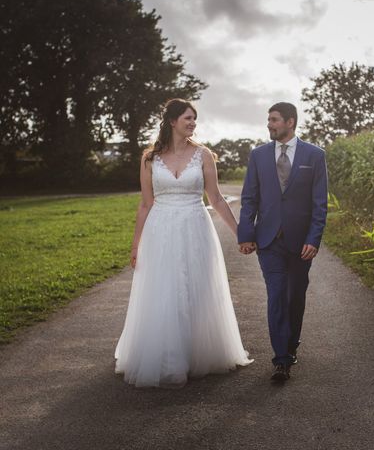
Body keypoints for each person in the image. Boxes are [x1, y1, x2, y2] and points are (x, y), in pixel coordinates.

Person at [115, 98, 253, 387]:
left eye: (195, 119)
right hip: (159, 230)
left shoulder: (203, 155)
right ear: (172, 121)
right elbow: (145, 204)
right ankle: (165, 357)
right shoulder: (149, 158)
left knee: (195, 288)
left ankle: (195, 354)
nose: (193, 123)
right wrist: (135, 245)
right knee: (163, 291)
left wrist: (240, 233)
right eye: (188, 118)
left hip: (195, 227)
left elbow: (214, 199)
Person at [238, 102, 328, 382]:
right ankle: (281, 359)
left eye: (274, 120)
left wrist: (314, 239)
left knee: (295, 296)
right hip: (268, 241)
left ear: (290, 122)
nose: (269, 125)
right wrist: (246, 234)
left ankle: (291, 343)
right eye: (268, 120)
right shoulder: (258, 155)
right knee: (276, 295)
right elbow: (249, 198)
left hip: (301, 242)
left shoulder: (314, 155)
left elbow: (319, 203)